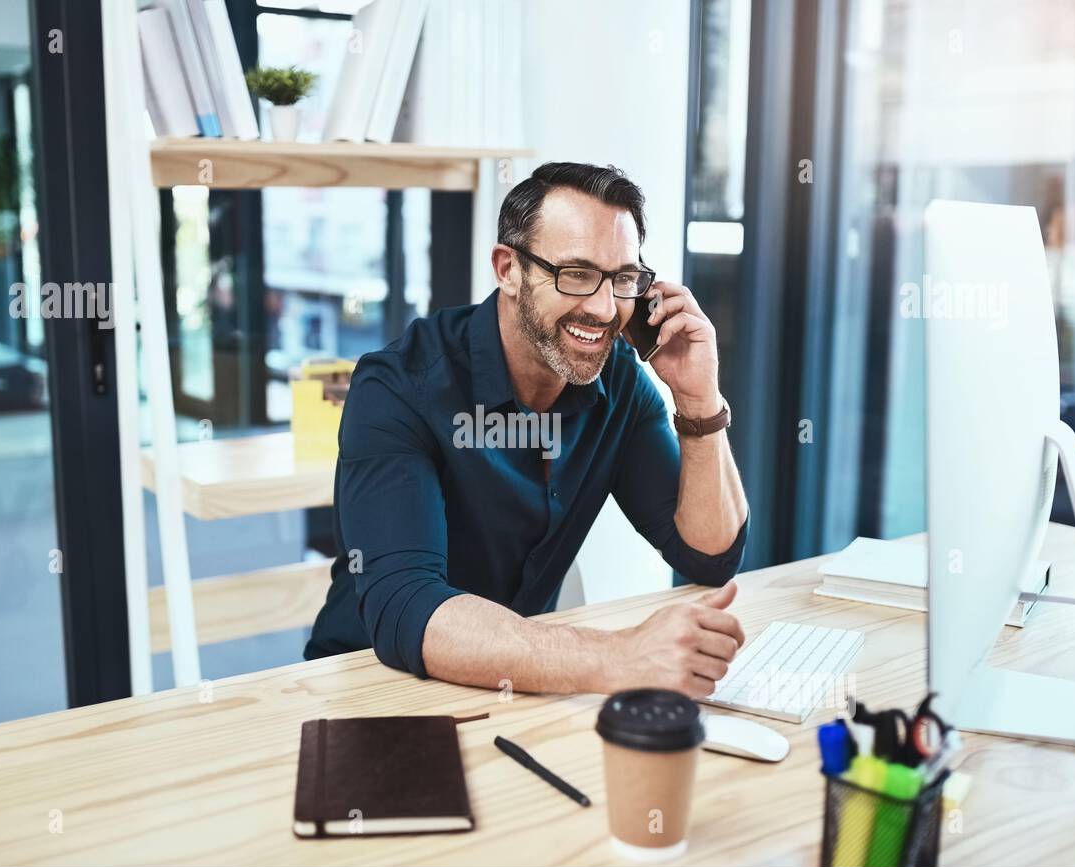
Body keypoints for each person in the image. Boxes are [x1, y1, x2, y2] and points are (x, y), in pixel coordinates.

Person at [306, 162, 749, 697]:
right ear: (507, 268)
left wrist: (699, 400)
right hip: (369, 688)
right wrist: (623, 655)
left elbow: (708, 555)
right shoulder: (398, 386)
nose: (606, 308)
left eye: (623, 279)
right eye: (577, 274)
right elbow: (407, 606)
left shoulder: (622, 382)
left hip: (507, 687)